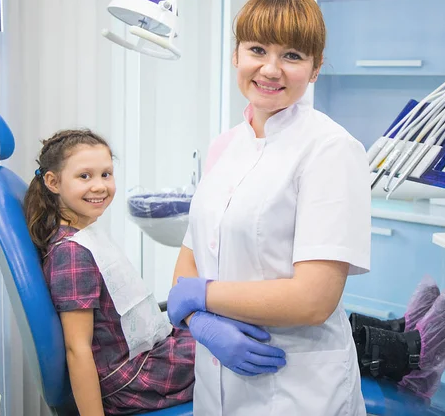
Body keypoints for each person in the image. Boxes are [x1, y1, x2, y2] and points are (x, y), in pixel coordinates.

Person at [167, 0, 445, 416]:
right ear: (236, 55)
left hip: (296, 389)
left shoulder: (331, 150)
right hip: (216, 387)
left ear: (316, 67)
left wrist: (201, 298)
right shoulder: (224, 147)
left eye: (292, 56)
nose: (270, 69)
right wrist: (202, 324)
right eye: (257, 49)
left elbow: (313, 299)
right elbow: (191, 261)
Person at [23, 129, 286, 416]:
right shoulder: (72, 253)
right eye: (84, 176)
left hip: (145, 356)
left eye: (106, 174)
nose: (99, 186)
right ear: (53, 182)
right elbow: (77, 349)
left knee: (230, 329)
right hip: (134, 378)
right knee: (256, 342)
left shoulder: (84, 233)